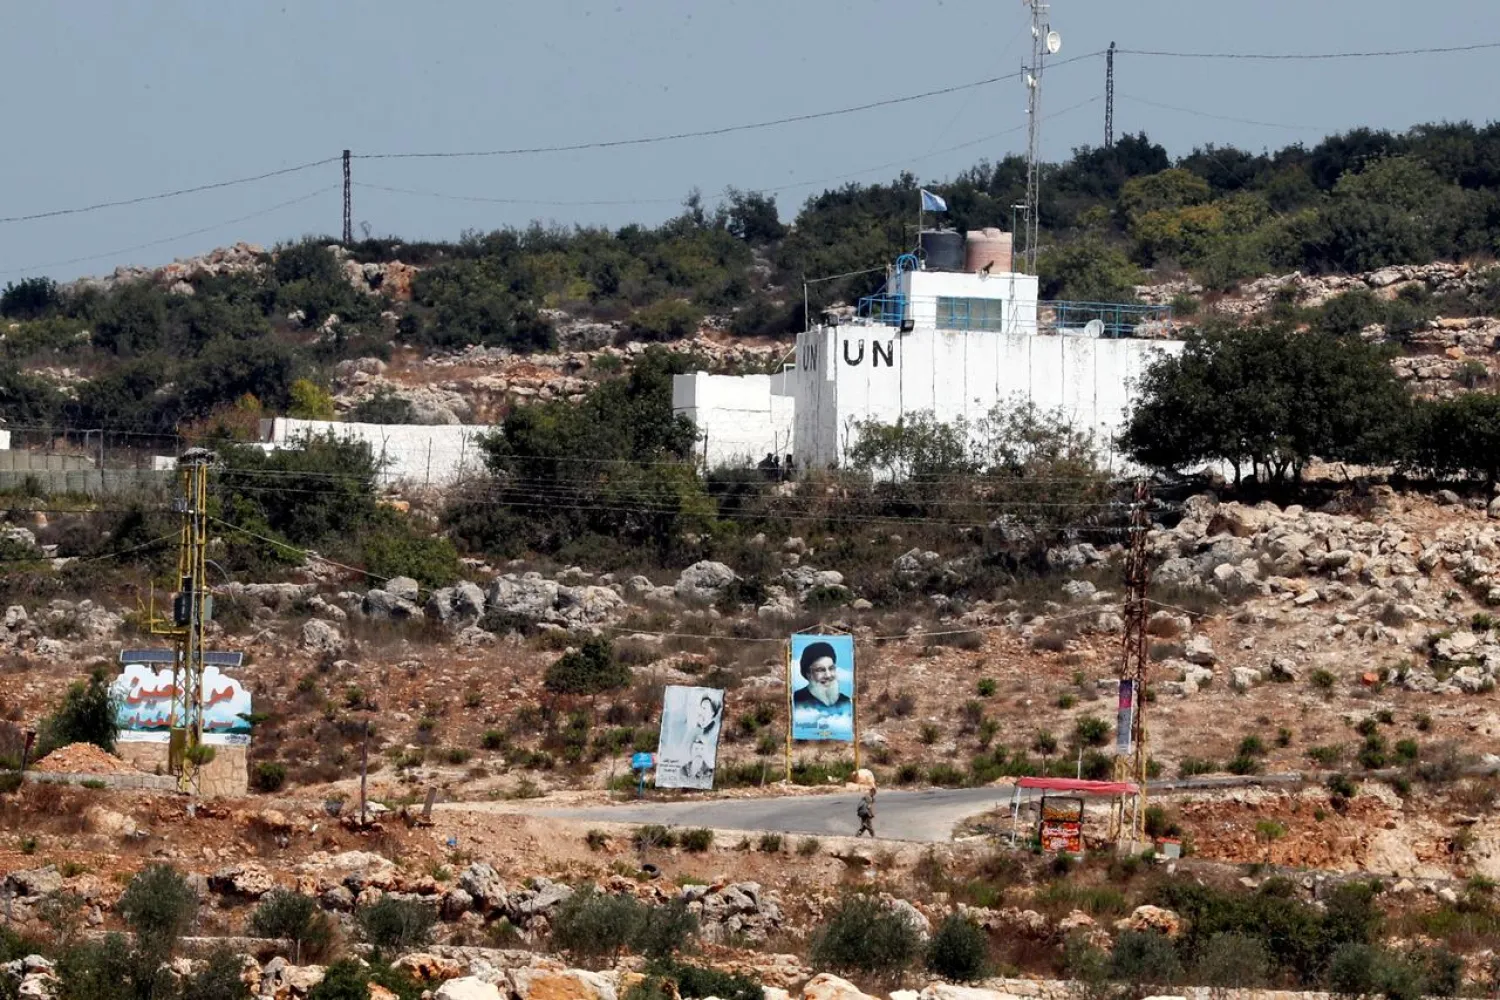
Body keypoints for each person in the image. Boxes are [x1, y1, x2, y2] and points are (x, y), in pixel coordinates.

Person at [792, 641, 852, 714]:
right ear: (808, 674)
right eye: (820, 670)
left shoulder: (845, 701)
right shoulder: (796, 699)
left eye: (831, 668)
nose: (828, 675)